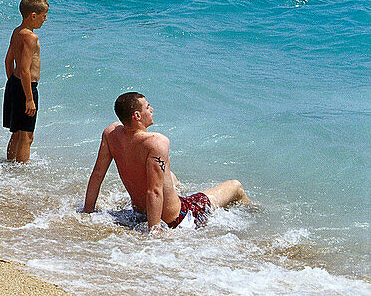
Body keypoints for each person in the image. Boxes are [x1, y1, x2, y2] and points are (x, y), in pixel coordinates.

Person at [82, 92, 249, 231]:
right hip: (177, 218)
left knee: (170, 175)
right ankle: (255, 211)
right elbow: (153, 192)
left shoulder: (111, 133)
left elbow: (97, 175)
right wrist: (155, 231)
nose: (152, 109)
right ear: (137, 116)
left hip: (140, 212)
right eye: (147, 107)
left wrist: (87, 212)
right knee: (235, 186)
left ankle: (176, 190)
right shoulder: (156, 142)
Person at [3, 0, 49, 163]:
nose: (45, 19)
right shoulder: (31, 37)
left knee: (16, 132)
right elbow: (24, 69)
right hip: (26, 86)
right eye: (44, 16)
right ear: (33, 15)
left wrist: (12, 85)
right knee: (27, 136)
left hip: (15, 85)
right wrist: (29, 98)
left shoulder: (17, 32)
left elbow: (8, 61)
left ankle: (9, 166)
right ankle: (20, 175)